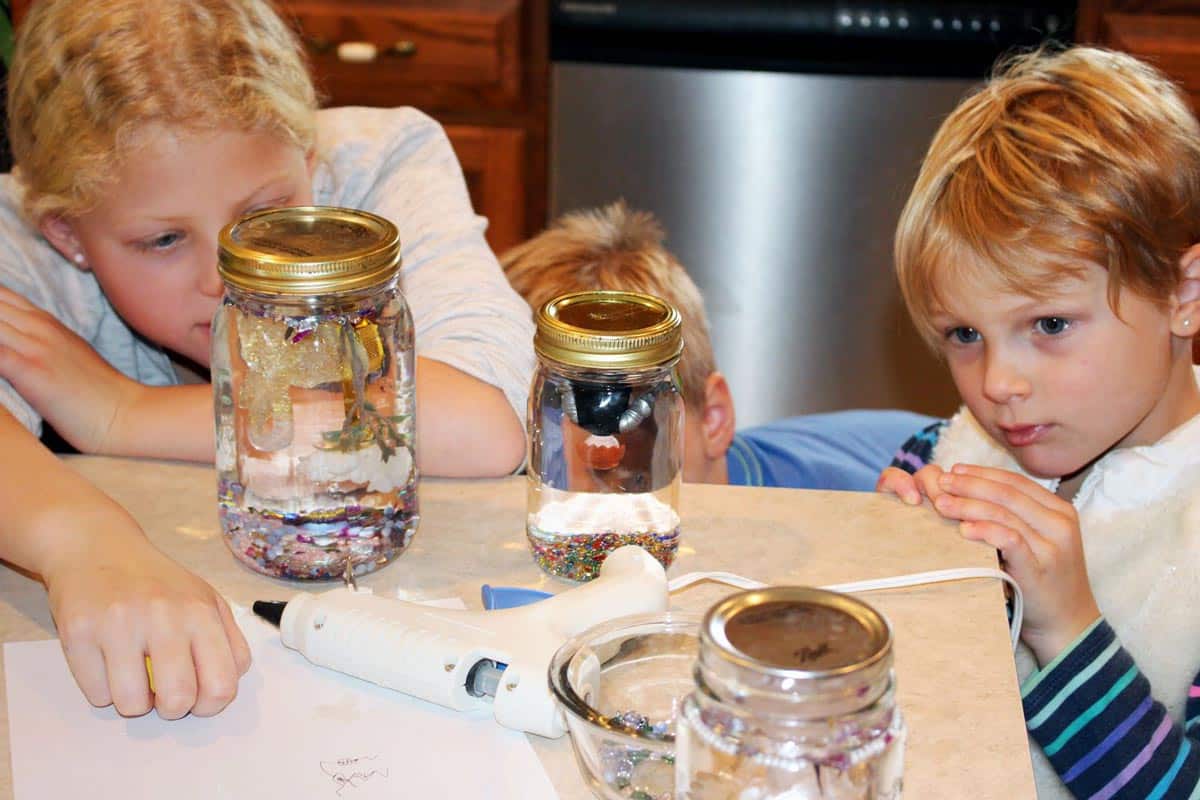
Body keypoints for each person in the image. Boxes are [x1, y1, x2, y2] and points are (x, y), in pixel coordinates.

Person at [0, 0, 534, 720]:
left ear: (310, 163)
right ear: (66, 235)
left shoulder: (383, 163)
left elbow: (482, 428)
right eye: (162, 242)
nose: (228, 276)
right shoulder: (22, 239)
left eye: (265, 211)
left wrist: (120, 413)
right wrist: (83, 543)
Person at [876, 46, 1200, 798]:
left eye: (1050, 324)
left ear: (1185, 294)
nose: (998, 384)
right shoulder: (945, 456)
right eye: (964, 335)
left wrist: (1067, 628)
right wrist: (886, 574)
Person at [501, 200, 933, 489]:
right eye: (540, 458)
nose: (581, 493)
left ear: (713, 420)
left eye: (629, 474)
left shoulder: (840, 514)